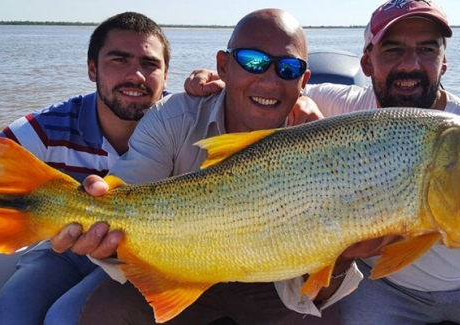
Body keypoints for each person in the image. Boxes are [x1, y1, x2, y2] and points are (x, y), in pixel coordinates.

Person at [185, 1, 460, 324]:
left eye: (427, 50)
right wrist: (220, 79)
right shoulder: (344, 107)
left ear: (445, 60)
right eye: (393, 50)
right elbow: (273, 89)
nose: (410, 64)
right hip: (381, 286)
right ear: (367, 62)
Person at [55, 8, 367, 325]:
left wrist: (343, 255)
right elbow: (124, 191)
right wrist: (95, 222)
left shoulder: (321, 139)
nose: (270, 81)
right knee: (105, 316)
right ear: (223, 66)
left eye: (288, 68)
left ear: (304, 81)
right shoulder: (173, 117)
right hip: (175, 266)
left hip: (271, 280)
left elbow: (322, 281)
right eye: (252, 61)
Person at [0, 12, 171, 325]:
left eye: (150, 64)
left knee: (65, 318)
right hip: (64, 246)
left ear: (167, 75)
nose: (137, 75)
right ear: (92, 69)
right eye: (119, 60)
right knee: (8, 315)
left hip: (143, 256)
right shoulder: (47, 127)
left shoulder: (186, 125)